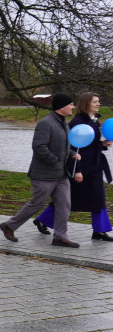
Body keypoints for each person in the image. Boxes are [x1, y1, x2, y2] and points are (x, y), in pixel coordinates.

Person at [0, 93, 81, 247]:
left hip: (61, 174)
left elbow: (64, 147)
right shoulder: (46, 123)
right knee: (36, 203)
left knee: (64, 204)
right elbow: (39, 147)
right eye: (71, 104)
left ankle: (59, 236)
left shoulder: (64, 124)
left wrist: (72, 155)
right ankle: (9, 226)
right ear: (62, 107)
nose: (73, 107)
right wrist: (55, 160)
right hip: (43, 175)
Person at [33, 92, 113, 241]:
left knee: (99, 198)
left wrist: (102, 144)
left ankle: (100, 231)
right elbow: (72, 148)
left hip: (95, 166)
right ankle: (43, 220)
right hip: (81, 167)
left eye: (99, 101)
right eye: (95, 101)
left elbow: (90, 144)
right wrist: (77, 170)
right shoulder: (77, 123)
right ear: (86, 103)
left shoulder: (94, 121)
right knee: (69, 199)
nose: (98, 104)